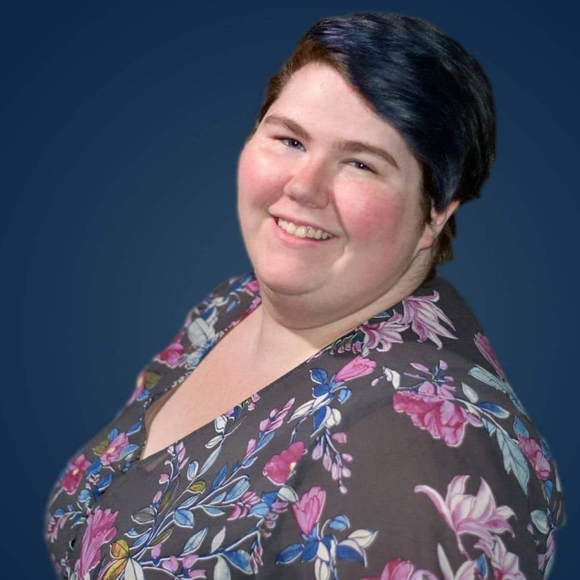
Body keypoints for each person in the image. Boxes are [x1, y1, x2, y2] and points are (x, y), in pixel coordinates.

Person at [44, 12, 564, 579]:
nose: (303, 186)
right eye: (290, 140)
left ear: (435, 213)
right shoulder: (231, 307)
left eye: (360, 163)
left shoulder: (420, 454)